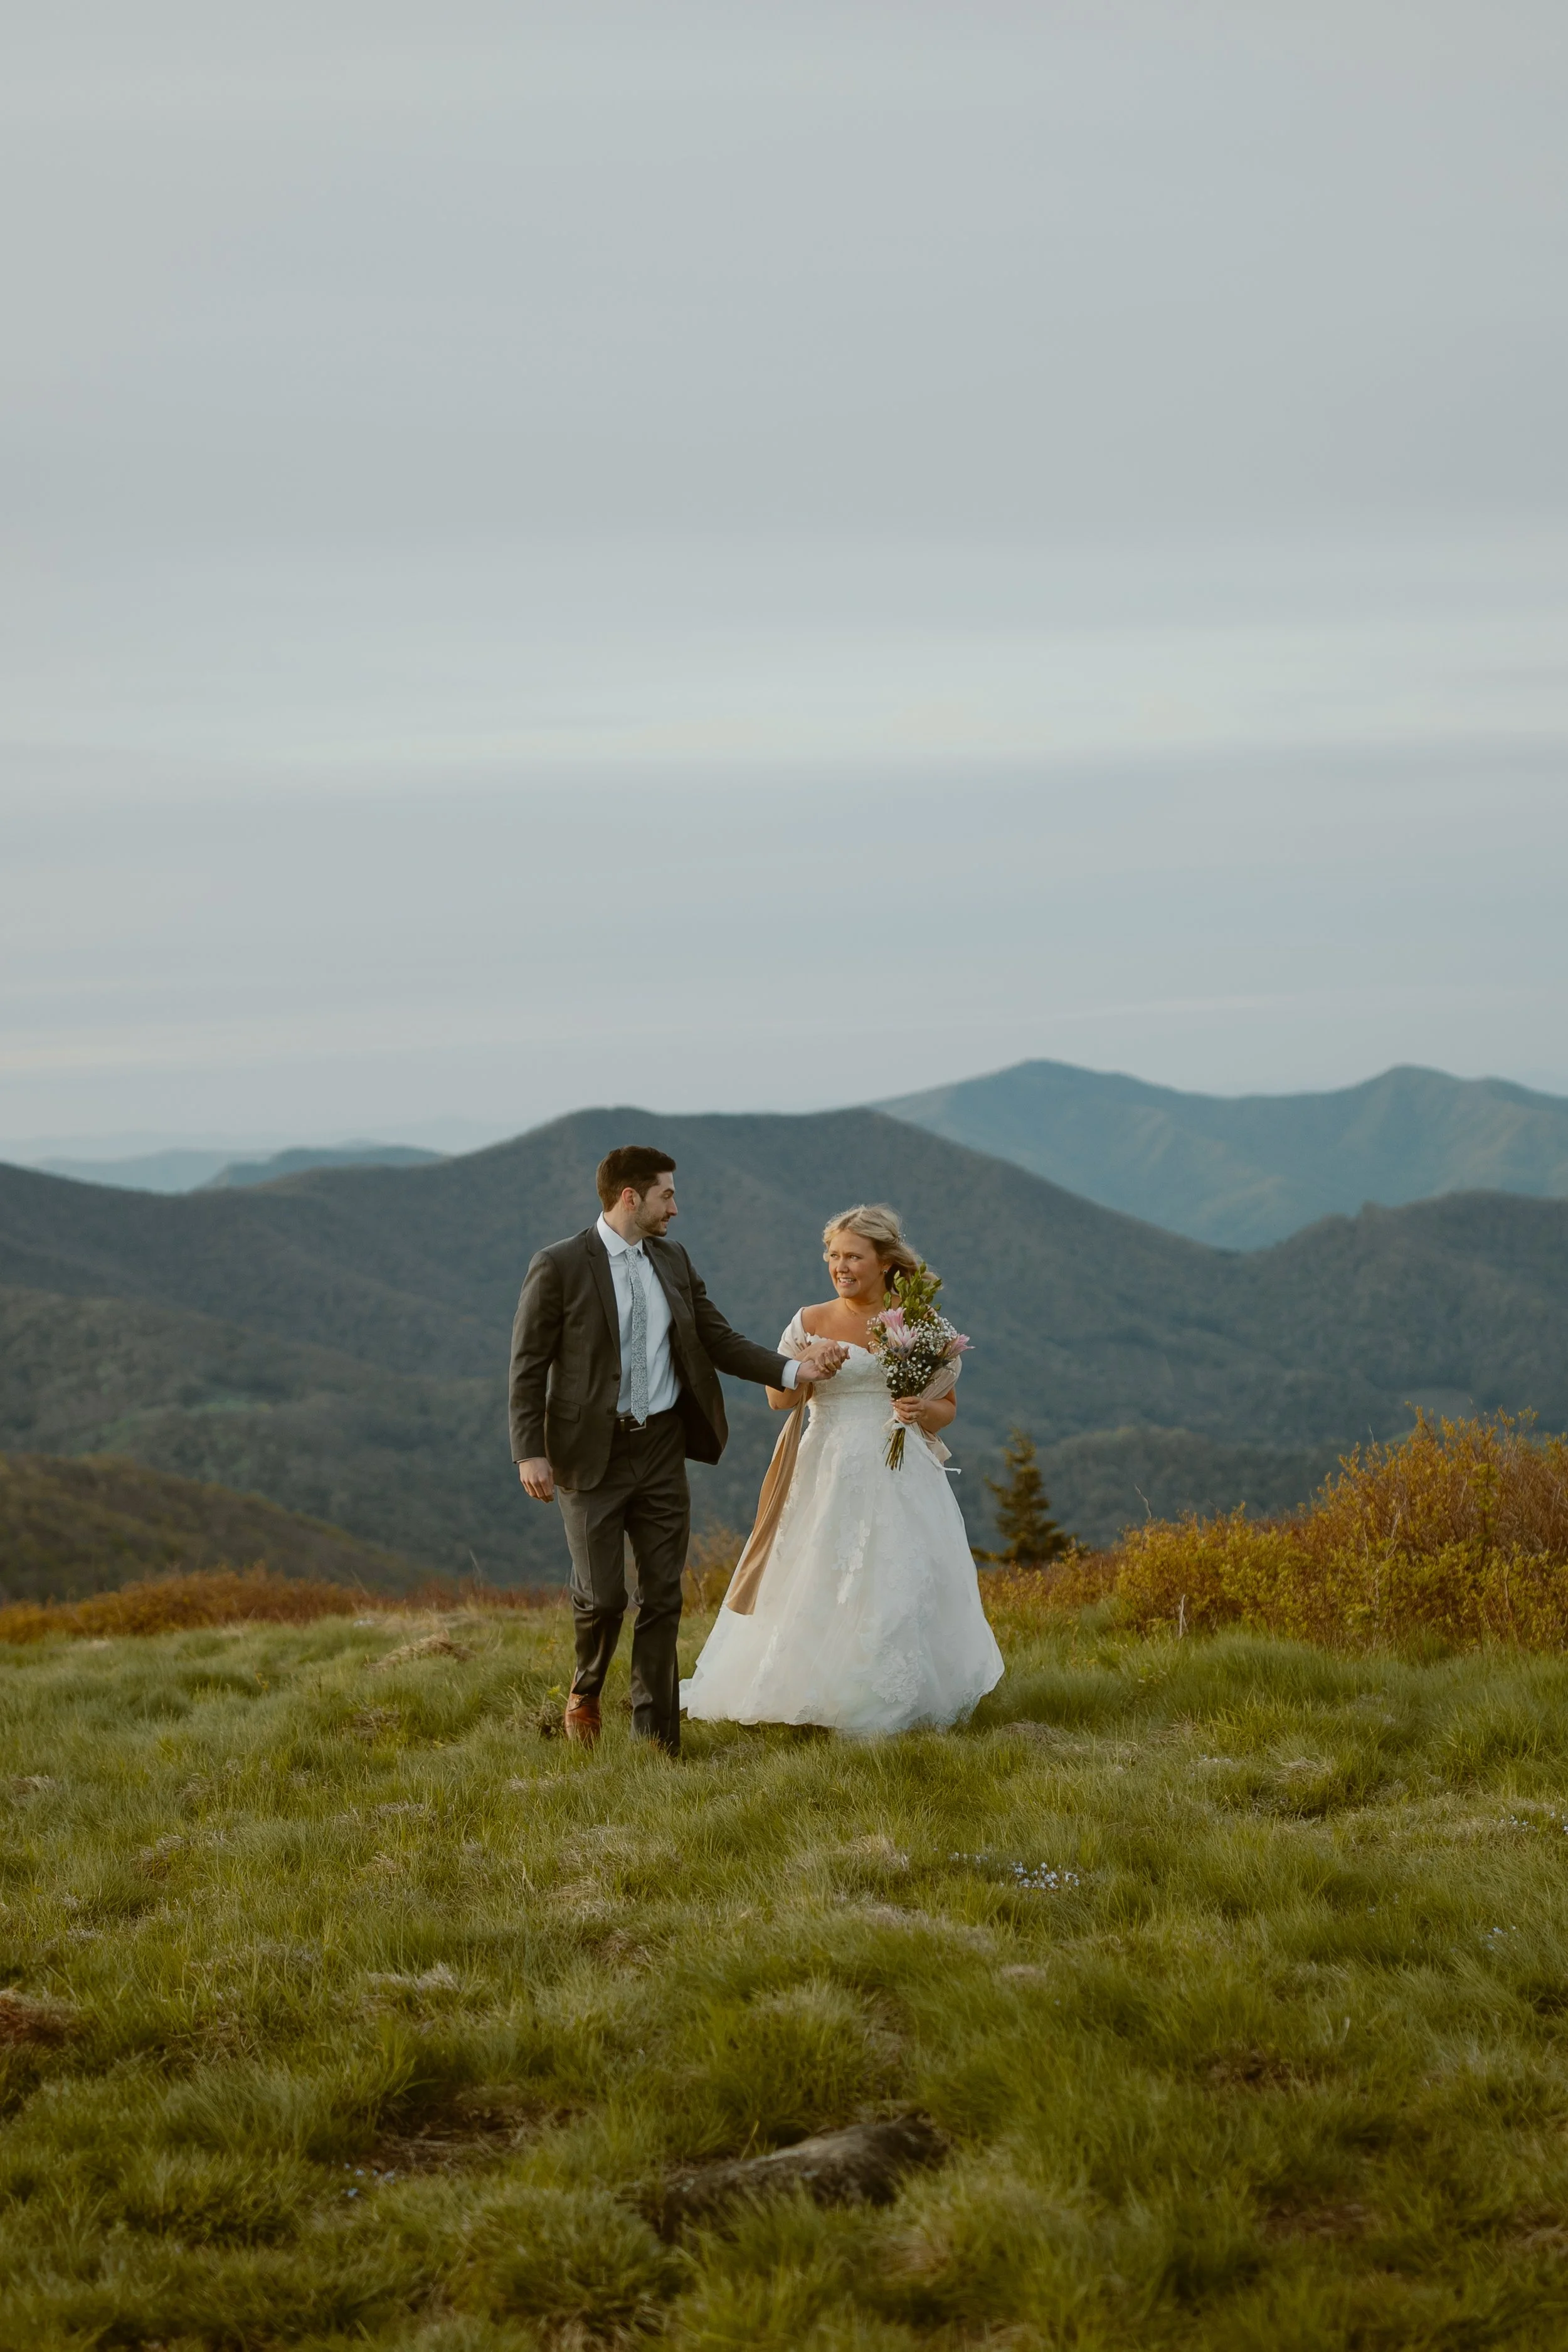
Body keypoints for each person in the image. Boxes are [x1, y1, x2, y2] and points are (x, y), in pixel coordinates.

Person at [510, 1145, 848, 1754]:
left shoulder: (671, 1258)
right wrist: (528, 1451)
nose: (676, 1206)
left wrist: (794, 1372)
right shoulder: (559, 1265)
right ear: (630, 1197)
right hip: (589, 1453)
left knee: (664, 1595)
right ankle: (585, 1689)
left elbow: (716, 1337)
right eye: (667, 1194)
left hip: (662, 1445)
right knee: (605, 1595)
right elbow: (528, 1366)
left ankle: (656, 1741)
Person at [682, 1203, 1004, 1734]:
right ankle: (809, 1692)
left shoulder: (920, 1323)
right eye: (833, 1255)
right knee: (819, 1575)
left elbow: (947, 1410)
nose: (841, 1266)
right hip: (825, 1467)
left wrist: (923, 1410)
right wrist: (808, 1371)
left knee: (896, 1580)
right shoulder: (809, 1320)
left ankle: (892, 1699)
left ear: (884, 1261)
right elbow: (776, 1401)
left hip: (900, 1472)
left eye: (854, 1256)